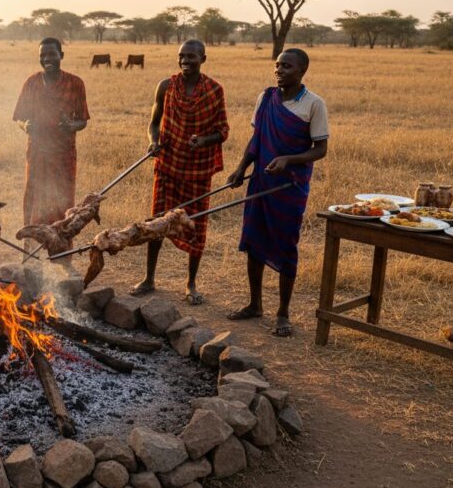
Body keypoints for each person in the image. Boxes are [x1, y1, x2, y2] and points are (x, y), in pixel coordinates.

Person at [226, 48, 329, 337]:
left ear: (302, 71)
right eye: (277, 65)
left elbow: (320, 149)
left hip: (290, 186)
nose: (280, 70)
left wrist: (289, 159)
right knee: (254, 240)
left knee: (286, 245)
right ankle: (254, 304)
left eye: (287, 66)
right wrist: (240, 168)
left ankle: (283, 313)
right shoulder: (266, 97)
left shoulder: (313, 104)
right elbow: (256, 138)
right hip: (260, 181)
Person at [132, 39, 228, 304]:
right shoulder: (166, 86)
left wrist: (203, 141)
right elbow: (154, 123)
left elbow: (222, 131)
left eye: (191, 56)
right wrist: (153, 142)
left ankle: (191, 284)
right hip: (168, 165)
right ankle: (149, 278)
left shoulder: (214, 90)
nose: (185, 60)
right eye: (181, 56)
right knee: (157, 221)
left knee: (196, 224)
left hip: (198, 169)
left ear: (203, 59)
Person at [12, 37, 89, 251]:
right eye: (42, 55)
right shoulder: (32, 83)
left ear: (61, 55)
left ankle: (62, 253)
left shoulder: (75, 83)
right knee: (33, 198)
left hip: (63, 153)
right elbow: (19, 117)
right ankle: (29, 253)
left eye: (51, 54)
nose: (47, 59)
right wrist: (25, 125)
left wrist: (71, 125)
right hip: (37, 151)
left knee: (63, 202)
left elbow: (82, 120)